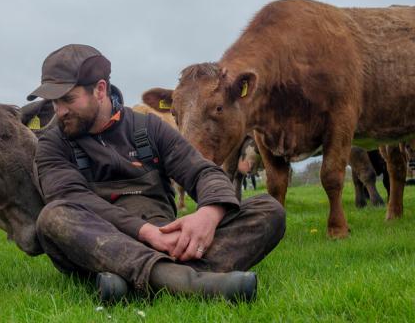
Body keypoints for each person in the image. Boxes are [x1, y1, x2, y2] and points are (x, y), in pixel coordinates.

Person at [29, 44, 285, 303]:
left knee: (268, 209)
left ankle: (129, 282)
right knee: (54, 217)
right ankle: (191, 283)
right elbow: (72, 197)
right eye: (54, 102)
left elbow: (201, 171)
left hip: (168, 236)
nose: (59, 111)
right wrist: (146, 232)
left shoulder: (148, 128)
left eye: (68, 99)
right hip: (100, 243)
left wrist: (210, 212)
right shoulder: (53, 144)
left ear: (100, 90)